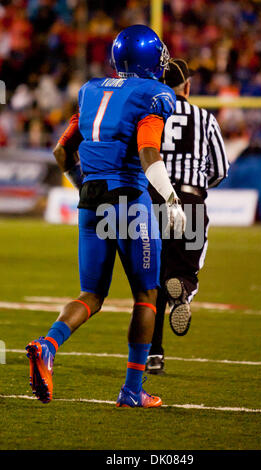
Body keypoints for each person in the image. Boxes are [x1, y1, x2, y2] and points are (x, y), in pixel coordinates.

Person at [25, 25, 186, 408]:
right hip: (129, 200)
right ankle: (132, 389)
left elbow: (61, 153)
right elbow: (149, 152)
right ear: (149, 59)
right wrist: (171, 197)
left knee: (92, 295)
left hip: (91, 200)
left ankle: (47, 345)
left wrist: (84, 183)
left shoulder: (91, 91)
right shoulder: (154, 95)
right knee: (147, 295)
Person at [146, 59, 229, 374]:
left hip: (152, 201)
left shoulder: (149, 116)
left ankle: (153, 354)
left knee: (151, 282)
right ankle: (182, 288)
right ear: (188, 87)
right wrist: (194, 185)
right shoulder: (204, 117)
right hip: (190, 201)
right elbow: (220, 169)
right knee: (186, 271)